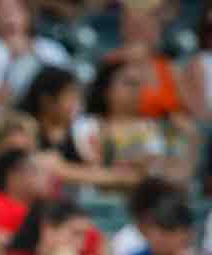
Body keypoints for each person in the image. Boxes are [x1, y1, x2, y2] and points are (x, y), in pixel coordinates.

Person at [71, 59, 194, 192]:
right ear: (106, 89)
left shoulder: (164, 128)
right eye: (130, 83)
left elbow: (180, 174)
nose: (137, 90)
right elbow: (95, 170)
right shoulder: (87, 126)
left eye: (140, 85)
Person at [20, 66, 142, 193]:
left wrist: (62, 168)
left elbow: (128, 176)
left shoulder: (89, 128)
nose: (76, 103)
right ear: (47, 100)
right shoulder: (26, 127)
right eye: (69, 96)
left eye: (77, 96)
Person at [0, 0, 71, 116]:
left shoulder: (53, 50)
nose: (8, 16)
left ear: (29, 13)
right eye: (0, 11)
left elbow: (67, 97)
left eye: (14, 9)